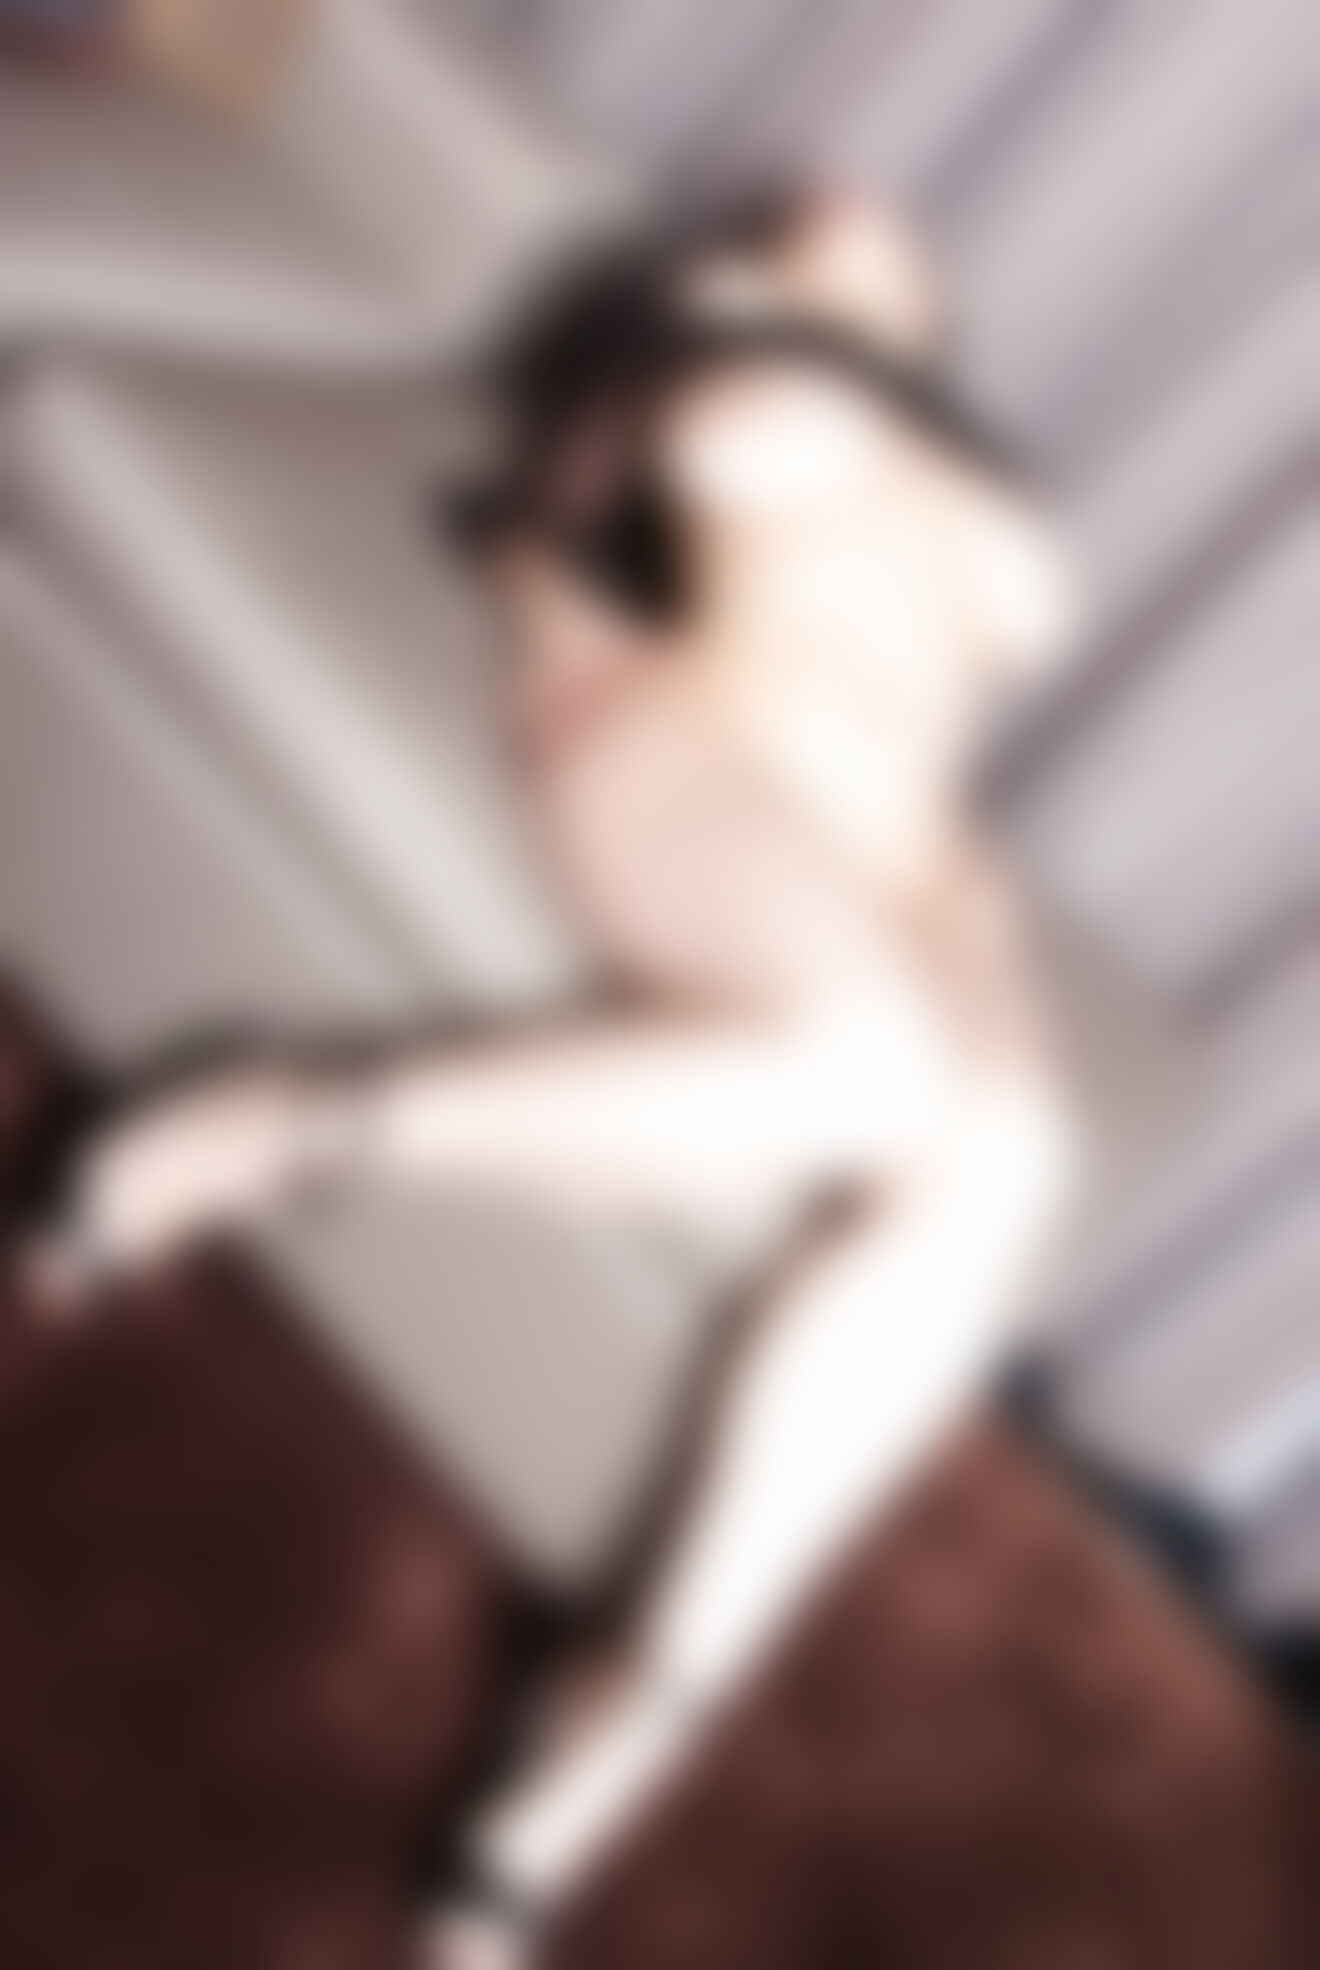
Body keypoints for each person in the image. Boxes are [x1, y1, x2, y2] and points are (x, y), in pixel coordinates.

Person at [27, 195, 1083, 1968]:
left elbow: (948, 711)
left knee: (1016, 1152)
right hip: (688, 743)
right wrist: (719, 331)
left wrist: (975, 935)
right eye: (807, 204)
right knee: (865, 1061)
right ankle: (262, 1122)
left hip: (915, 871)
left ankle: (611, 1730)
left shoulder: (951, 452)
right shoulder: (739, 362)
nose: (858, 195)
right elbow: (599, 481)